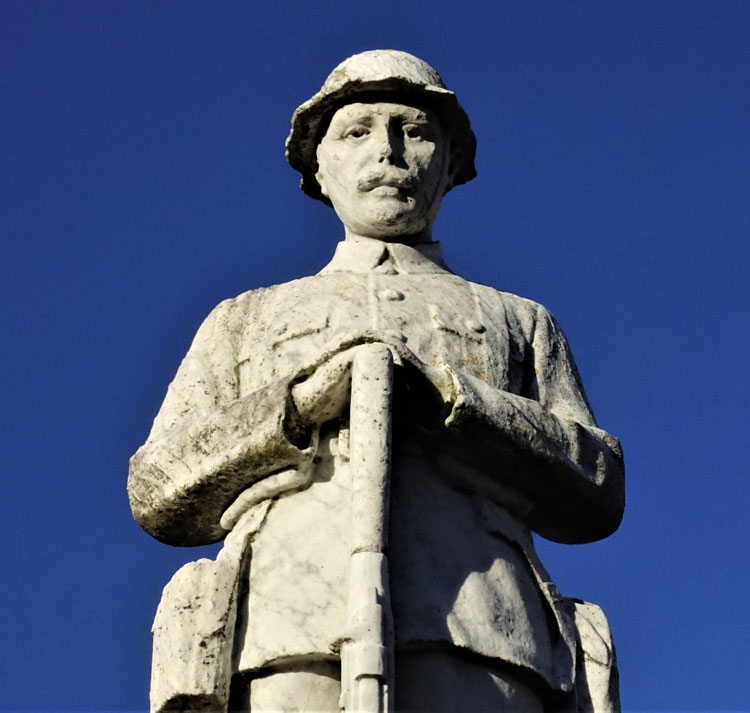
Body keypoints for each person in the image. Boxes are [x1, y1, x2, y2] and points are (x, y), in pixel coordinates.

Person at [129, 50, 625, 713]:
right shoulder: (246, 318)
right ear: (319, 168)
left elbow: (597, 483)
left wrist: (460, 404)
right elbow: (157, 484)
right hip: (282, 622)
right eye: (357, 131)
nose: (388, 151)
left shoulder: (518, 319)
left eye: (414, 130)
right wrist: (300, 406)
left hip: (481, 627)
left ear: (450, 164)